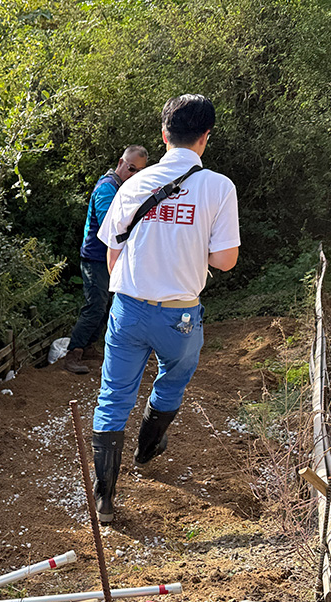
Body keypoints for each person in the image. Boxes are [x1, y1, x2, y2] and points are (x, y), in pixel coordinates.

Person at [90, 94, 239, 523]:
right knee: (174, 374)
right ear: (205, 138)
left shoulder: (133, 184)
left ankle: (104, 498)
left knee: (113, 395)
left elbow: (112, 251)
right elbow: (224, 261)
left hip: (128, 308)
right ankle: (148, 445)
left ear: (163, 135)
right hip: (180, 315)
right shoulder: (218, 187)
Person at [62, 145, 149, 374]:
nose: (133, 174)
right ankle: (73, 352)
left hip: (108, 257)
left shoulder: (120, 187)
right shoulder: (107, 188)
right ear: (121, 162)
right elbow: (109, 225)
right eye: (131, 168)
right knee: (95, 306)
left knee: (104, 306)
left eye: (139, 172)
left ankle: (88, 347)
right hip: (95, 258)